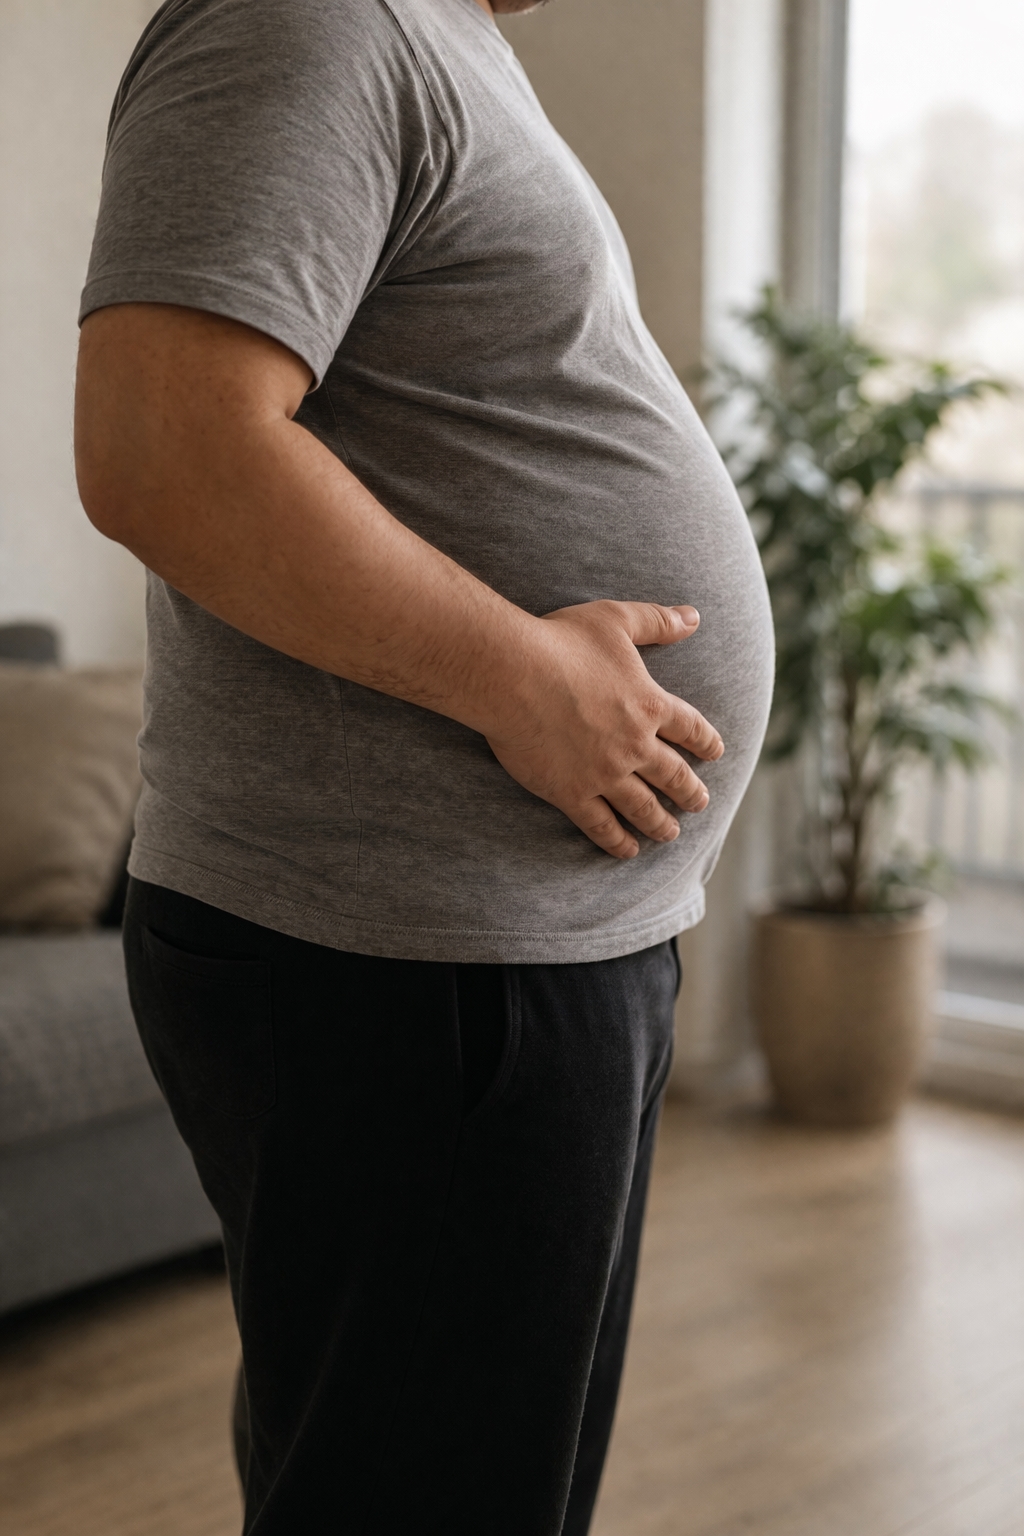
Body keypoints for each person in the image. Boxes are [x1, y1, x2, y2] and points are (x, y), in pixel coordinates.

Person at [74, 0, 774, 1529]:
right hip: (404, 961)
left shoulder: (434, 38)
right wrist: (522, 678)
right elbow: (158, 441)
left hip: (497, 948)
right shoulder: (301, 20)